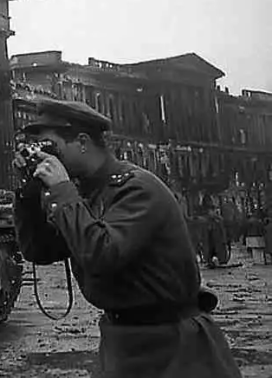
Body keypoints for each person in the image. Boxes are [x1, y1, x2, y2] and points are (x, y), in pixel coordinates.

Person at [14, 98, 241, 378]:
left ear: (82, 142)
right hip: (123, 342)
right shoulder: (86, 195)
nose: (47, 158)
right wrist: (28, 194)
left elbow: (102, 254)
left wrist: (62, 190)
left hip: (174, 346)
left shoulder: (137, 189)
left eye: (52, 147)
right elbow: (39, 250)